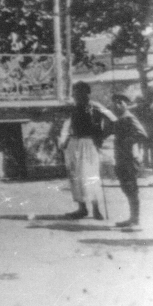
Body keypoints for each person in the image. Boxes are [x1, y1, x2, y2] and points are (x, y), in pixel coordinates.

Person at [58, 81, 113, 220]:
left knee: (90, 176)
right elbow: (68, 125)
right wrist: (64, 141)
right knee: (76, 177)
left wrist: (101, 136)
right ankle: (82, 209)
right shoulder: (74, 108)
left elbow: (113, 120)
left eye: (78, 92)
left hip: (89, 144)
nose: (75, 95)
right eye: (74, 92)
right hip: (74, 143)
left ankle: (96, 209)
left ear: (86, 93)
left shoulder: (96, 106)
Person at [109, 94, 148, 228]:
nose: (117, 105)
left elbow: (142, 134)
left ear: (126, 104)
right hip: (121, 159)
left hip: (129, 159)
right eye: (114, 102)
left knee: (132, 189)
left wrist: (127, 142)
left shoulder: (129, 118)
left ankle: (135, 220)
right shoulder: (120, 119)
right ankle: (132, 218)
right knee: (126, 189)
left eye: (120, 102)